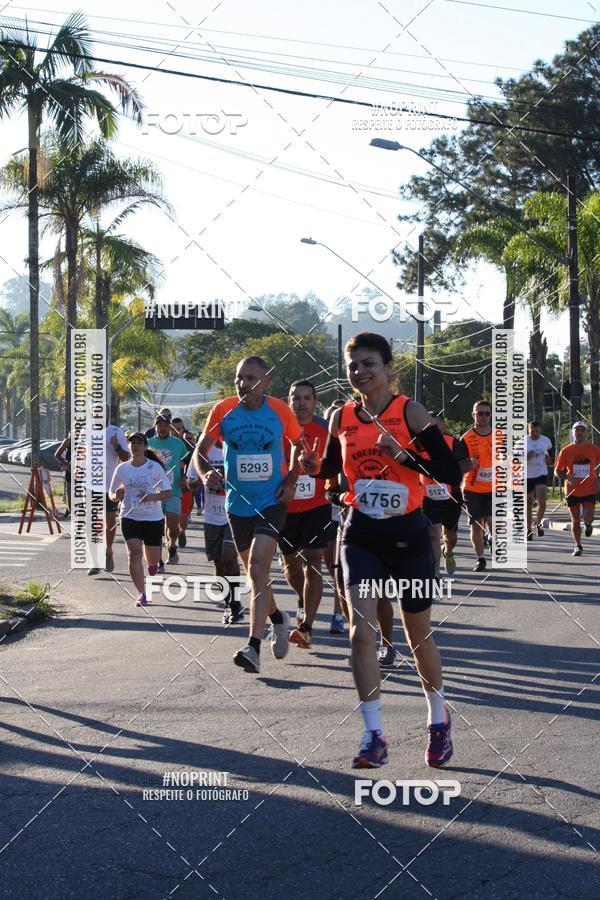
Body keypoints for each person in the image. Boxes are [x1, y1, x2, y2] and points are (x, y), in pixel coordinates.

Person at [300, 332, 461, 769]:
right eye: (353, 365)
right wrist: (318, 469)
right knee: (361, 632)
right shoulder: (342, 415)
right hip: (362, 534)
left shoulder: (409, 411)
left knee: (417, 634)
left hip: (408, 534)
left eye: (369, 363)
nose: (360, 372)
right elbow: (335, 468)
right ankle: (374, 734)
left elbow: (449, 470)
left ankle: (437, 719)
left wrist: (406, 457)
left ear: (389, 368)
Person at [194, 356, 302, 674]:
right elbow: (202, 449)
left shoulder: (280, 410)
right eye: (239, 378)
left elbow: (298, 444)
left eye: (251, 378)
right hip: (237, 505)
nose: (243, 384)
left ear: (265, 382)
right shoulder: (222, 410)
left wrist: (291, 479)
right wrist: (204, 474)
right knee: (256, 576)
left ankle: (253, 646)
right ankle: (278, 618)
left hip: (272, 501)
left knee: (257, 567)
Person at [278, 380, 331, 650]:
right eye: (295, 397)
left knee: (313, 562)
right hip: (284, 508)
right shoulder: (278, 428)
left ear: (314, 401)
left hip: (317, 506)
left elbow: (338, 464)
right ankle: (304, 598)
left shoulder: (325, 429)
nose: (301, 403)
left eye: (306, 398)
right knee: (290, 566)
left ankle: (306, 626)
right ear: (288, 400)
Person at [109, 433, 172, 606]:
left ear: (145, 446)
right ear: (129, 447)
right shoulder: (122, 468)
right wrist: (117, 495)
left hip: (153, 518)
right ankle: (141, 593)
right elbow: (111, 494)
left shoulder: (155, 467)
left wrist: (151, 497)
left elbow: (168, 492)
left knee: (152, 559)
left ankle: (152, 563)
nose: (135, 446)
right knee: (134, 553)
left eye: (139, 443)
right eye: (132, 443)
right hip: (129, 516)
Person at [187, 443, 244, 624]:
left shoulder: (239, 447)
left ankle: (235, 604)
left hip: (235, 513)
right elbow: (190, 483)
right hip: (212, 517)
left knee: (229, 557)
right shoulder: (202, 452)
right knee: (219, 564)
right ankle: (228, 602)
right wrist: (203, 479)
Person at [420, 413, 472, 576]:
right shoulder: (418, 444)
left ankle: (448, 552)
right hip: (427, 496)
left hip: (451, 495)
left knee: (450, 536)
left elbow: (467, 466)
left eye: (434, 427)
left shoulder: (453, 443)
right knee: (433, 532)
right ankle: (435, 572)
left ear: (442, 427)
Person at [88, 405, 130, 576]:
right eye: (95, 412)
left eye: (101, 411)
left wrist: (116, 447)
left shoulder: (116, 432)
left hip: (110, 484)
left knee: (110, 522)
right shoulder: (86, 431)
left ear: (108, 414)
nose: (98, 414)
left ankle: (109, 551)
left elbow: (126, 457)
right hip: (90, 483)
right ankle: (95, 560)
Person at [148, 414, 188, 571]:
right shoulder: (149, 443)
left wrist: (184, 476)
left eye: (166, 425)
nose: (163, 428)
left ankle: (172, 545)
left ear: (169, 427)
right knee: (156, 527)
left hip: (173, 490)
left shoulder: (178, 444)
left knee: (172, 525)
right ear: (155, 427)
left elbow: (187, 460)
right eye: (160, 425)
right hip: (154, 492)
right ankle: (159, 561)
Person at [555, 422, 600, 556]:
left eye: (582, 430)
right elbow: (557, 471)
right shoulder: (566, 450)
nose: (579, 432)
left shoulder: (593, 449)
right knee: (575, 520)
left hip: (589, 489)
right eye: (577, 430)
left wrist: (599, 478)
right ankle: (578, 545)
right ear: (573, 433)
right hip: (572, 490)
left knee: (588, 517)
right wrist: (567, 476)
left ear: (586, 433)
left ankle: (588, 524)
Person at [461, 400, 494, 571]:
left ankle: (491, 537)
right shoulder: (466, 438)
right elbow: (459, 465)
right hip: (472, 488)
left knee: (492, 522)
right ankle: (480, 559)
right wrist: (468, 465)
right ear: (473, 415)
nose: (483, 417)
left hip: (494, 488)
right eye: (480, 413)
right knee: (477, 525)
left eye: (487, 413)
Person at [525, 421, 552, 540]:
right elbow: (514, 459)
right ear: (528, 430)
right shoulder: (522, 442)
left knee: (541, 499)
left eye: (537, 431)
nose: (535, 434)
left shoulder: (546, 440)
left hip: (541, 473)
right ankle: (528, 529)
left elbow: (549, 451)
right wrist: (526, 456)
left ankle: (538, 523)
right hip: (526, 475)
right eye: (532, 431)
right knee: (529, 502)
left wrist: (548, 459)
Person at [171, 418, 195, 548]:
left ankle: (182, 531)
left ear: (182, 430)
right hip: (167, 487)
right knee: (170, 518)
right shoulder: (164, 444)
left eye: (178, 429)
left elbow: (194, 465)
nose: (176, 432)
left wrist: (186, 477)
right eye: (173, 429)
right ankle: (171, 543)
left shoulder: (190, 446)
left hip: (183, 486)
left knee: (183, 516)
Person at [54, 433, 71, 519]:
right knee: (69, 493)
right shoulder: (68, 441)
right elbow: (57, 455)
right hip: (70, 473)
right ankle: (69, 509)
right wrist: (67, 465)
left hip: (83, 473)